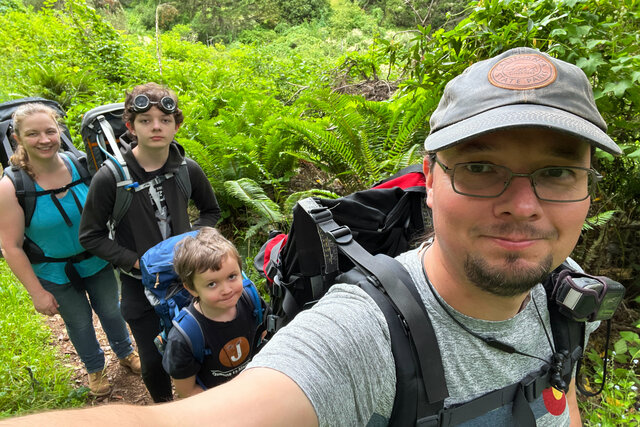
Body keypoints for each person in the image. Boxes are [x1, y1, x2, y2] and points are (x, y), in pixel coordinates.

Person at [3, 47, 623, 426]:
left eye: (559, 172)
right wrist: (143, 265)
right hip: (139, 278)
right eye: (481, 168)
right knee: (150, 344)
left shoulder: (569, 302)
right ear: (428, 179)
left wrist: (202, 251)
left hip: (186, 266)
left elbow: (212, 211)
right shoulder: (362, 337)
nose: (522, 206)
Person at [78, 83, 221, 403]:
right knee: (153, 358)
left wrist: (196, 243)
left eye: (165, 120)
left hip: (188, 281)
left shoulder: (188, 169)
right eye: (145, 120)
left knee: (196, 344)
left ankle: (203, 405)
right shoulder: (110, 178)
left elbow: (211, 211)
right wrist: (136, 261)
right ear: (130, 127)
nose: (156, 126)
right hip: (137, 286)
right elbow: (91, 235)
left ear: (176, 125)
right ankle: (163, 410)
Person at [0, 103, 140, 397]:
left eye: (50, 131)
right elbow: (11, 247)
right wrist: (37, 292)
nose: (44, 139)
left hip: (97, 259)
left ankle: (126, 354)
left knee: (112, 310)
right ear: (17, 138)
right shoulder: (11, 187)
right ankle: (94, 368)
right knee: (78, 321)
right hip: (53, 270)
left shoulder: (81, 165)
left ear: (59, 131)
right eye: (33, 134)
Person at [162, 227, 266, 397]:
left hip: (255, 389)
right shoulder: (184, 338)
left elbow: (265, 334)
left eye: (232, 276)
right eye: (212, 284)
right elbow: (187, 392)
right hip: (218, 403)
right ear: (192, 289)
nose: (226, 290)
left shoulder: (251, 300)